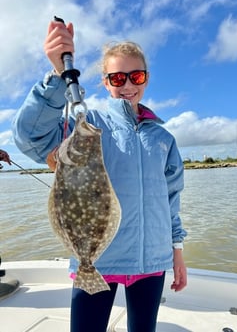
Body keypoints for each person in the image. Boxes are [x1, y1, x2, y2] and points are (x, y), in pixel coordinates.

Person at [13, 19, 187, 332]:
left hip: (152, 263)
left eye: (136, 76)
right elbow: (30, 137)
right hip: (96, 261)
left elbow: (171, 199)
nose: (127, 85)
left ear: (146, 79)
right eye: (117, 78)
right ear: (105, 83)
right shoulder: (87, 125)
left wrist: (177, 252)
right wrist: (56, 76)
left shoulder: (164, 139)